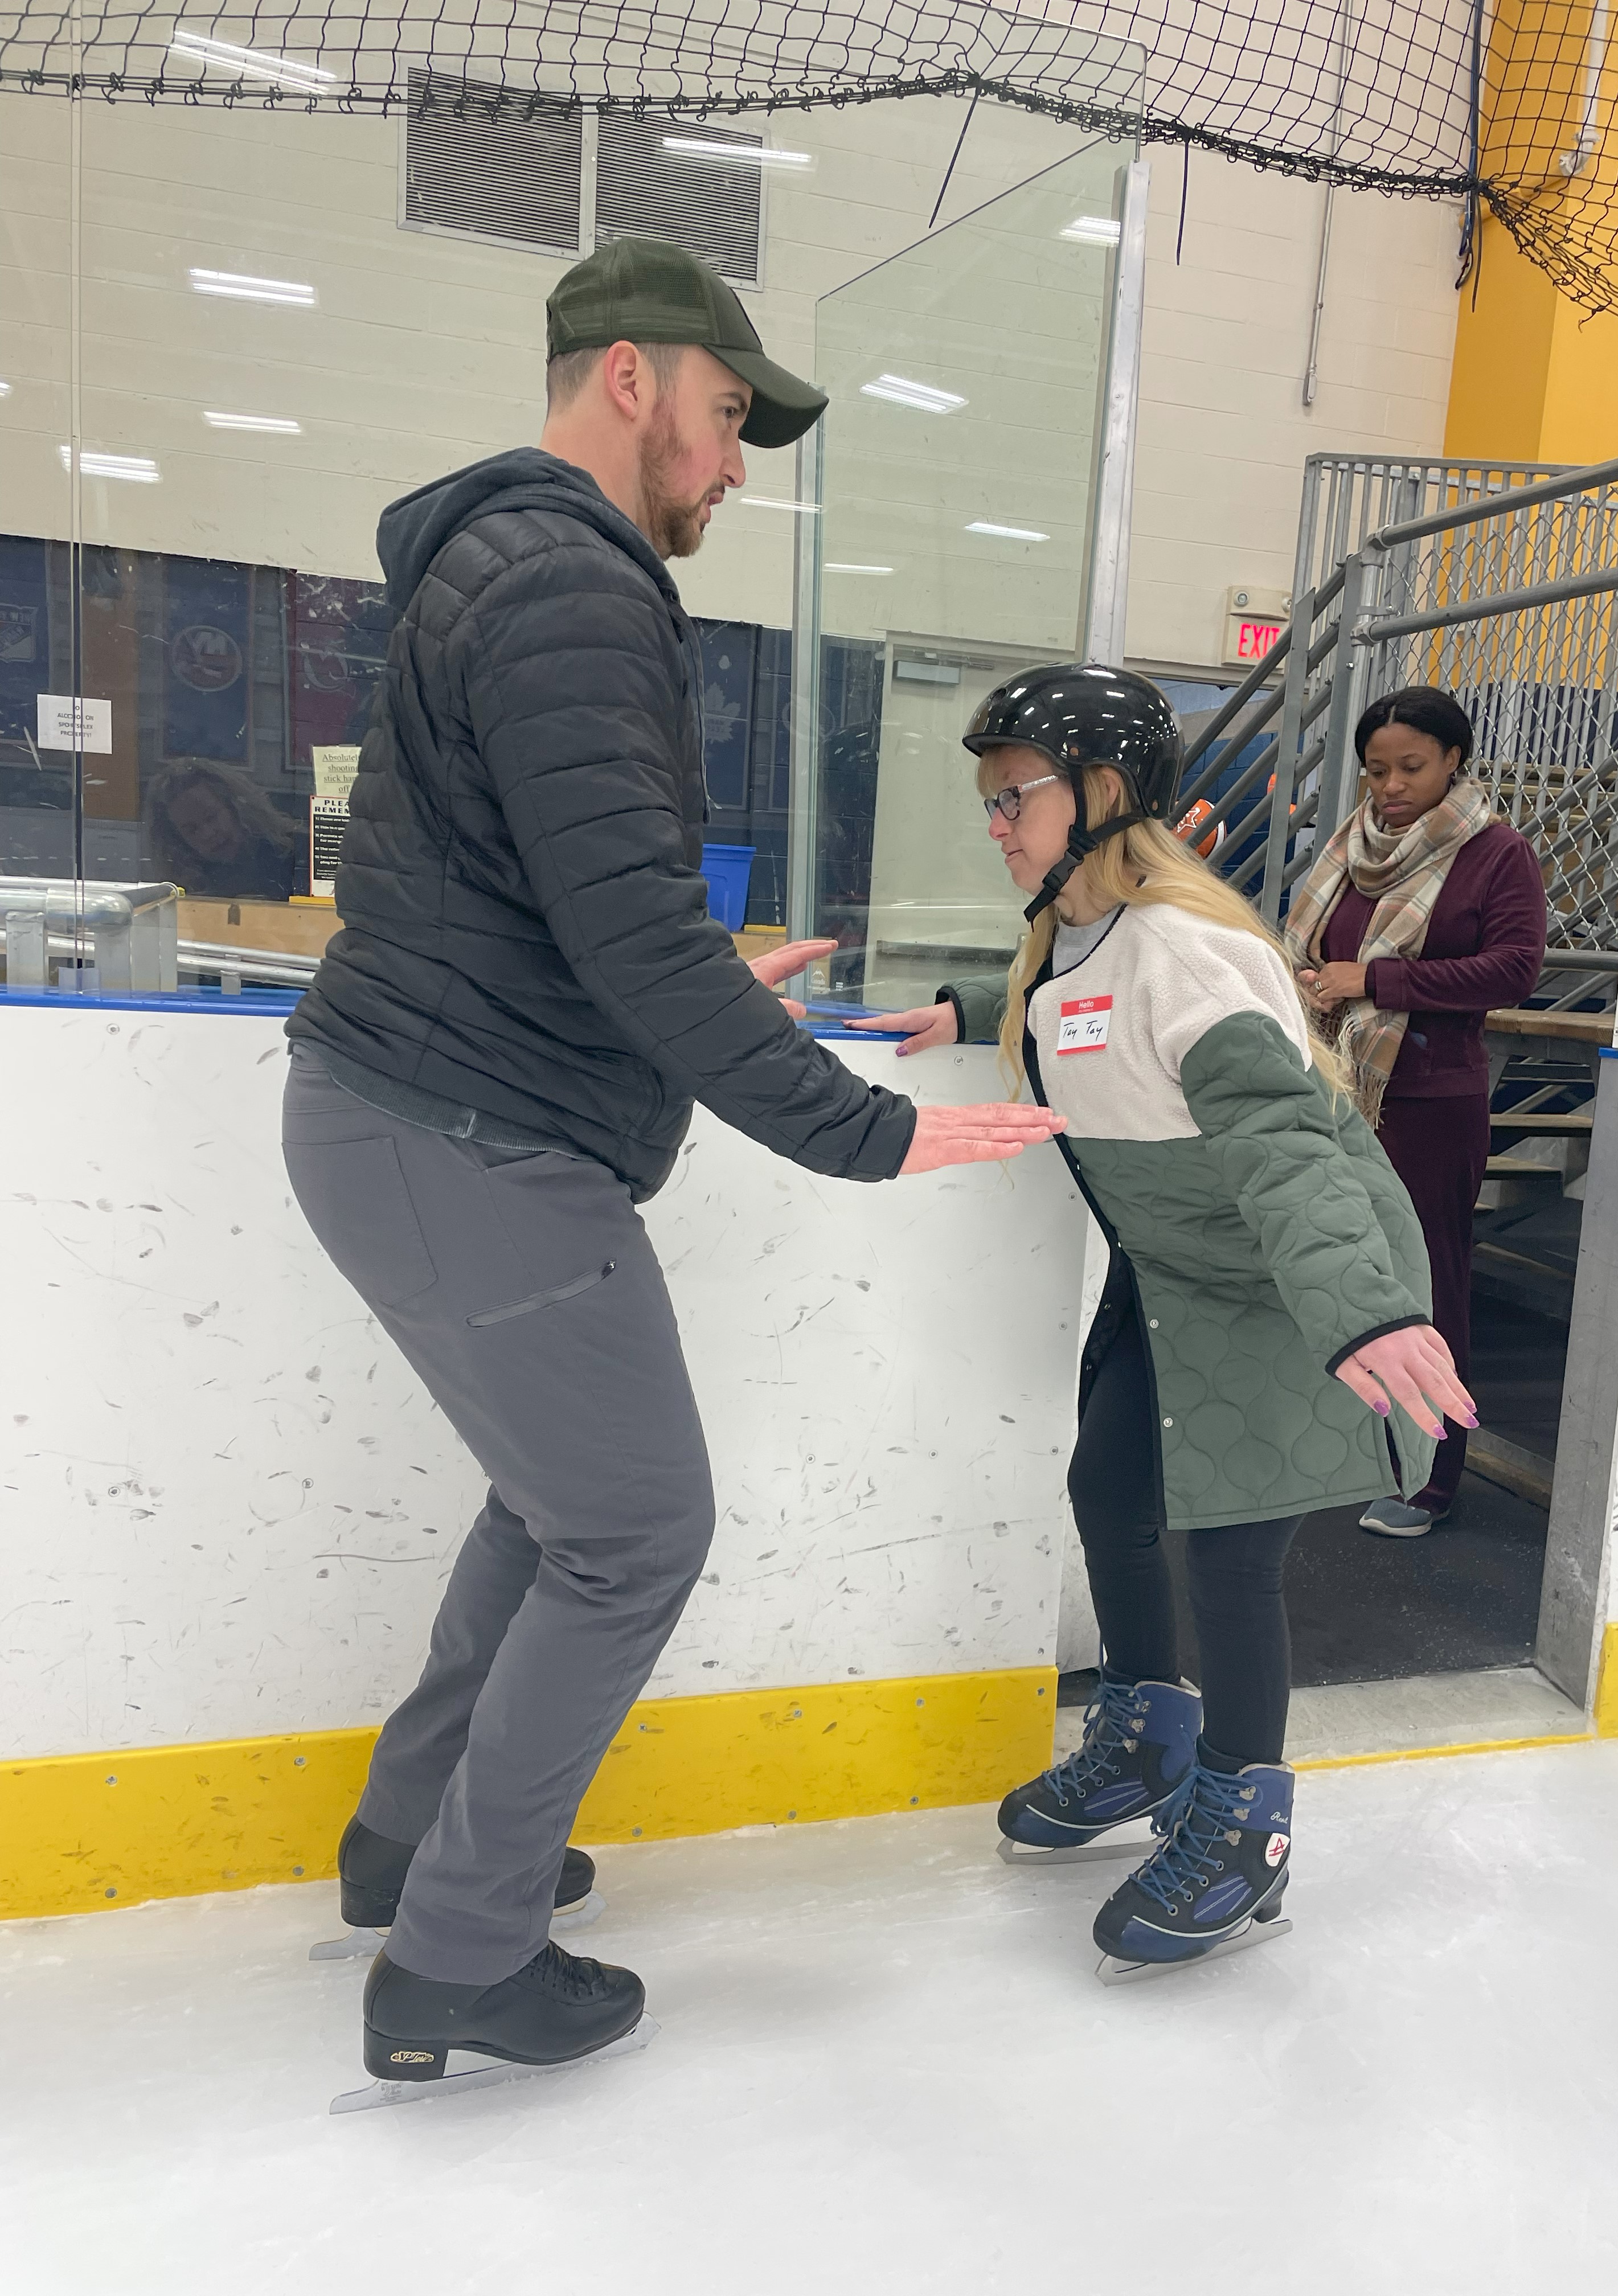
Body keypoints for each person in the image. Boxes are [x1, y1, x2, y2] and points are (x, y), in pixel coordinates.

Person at [281, 236, 1062, 2095]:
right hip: (462, 1132)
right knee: (635, 1528)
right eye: (723, 423)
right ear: (627, 379)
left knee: (558, 1507)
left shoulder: (519, 567)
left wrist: (705, 969)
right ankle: (461, 1957)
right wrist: (863, 1129)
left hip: (422, 1119)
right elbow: (625, 932)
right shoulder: (565, 575)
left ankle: (410, 1847)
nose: (730, 470)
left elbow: (560, 897)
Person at [849, 663, 1473, 1975]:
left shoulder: (1198, 949)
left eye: (1012, 795)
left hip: (1277, 1276)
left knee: (1228, 1557)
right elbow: (1080, 1006)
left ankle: (1246, 1827)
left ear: (1102, 795)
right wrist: (969, 1007)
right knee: (1109, 1490)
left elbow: (1283, 1140)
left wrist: (1361, 1314)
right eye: (992, 799)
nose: (995, 820)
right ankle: (1149, 1736)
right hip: (1171, 1270)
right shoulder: (1072, 936)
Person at [1284, 685, 1546, 1537]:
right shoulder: (1350, 847)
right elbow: (1309, 949)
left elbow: (1512, 971)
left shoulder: (1493, 852)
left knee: (1427, 1287)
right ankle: (1348, 1447)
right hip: (1338, 1091)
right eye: (1374, 771)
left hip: (1430, 1103)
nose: (1390, 787)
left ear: (1454, 761)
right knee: (1340, 1274)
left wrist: (1374, 979)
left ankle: (1430, 1475)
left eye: (1411, 767)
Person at [144, 758, 297, 901]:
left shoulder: (296, 856)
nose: (208, 834)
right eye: (192, 830)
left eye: (212, 817)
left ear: (237, 806)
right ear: (177, 840)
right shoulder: (181, 889)